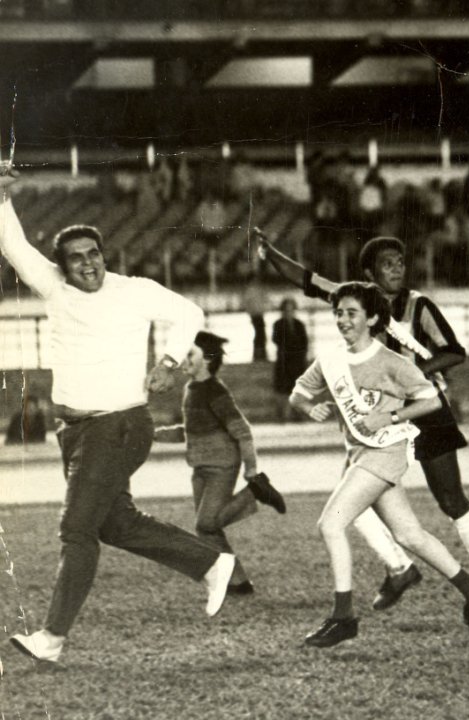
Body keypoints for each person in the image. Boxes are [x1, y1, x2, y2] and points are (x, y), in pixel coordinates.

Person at [0, 169, 237, 665]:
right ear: (63, 266)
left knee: (76, 529)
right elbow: (15, 245)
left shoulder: (134, 290)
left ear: (105, 255)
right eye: (76, 258)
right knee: (117, 524)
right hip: (77, 432)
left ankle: (52, 638)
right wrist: (0, 195)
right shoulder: (55, 290)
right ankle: (212, 563)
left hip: (119, 424)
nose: (88, 264)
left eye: (94, 254)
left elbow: (191, 313)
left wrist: (170, 362)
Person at [257, 232, 469, 614]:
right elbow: (306, 279)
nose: (397, 269)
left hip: (425, 408)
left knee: (450, 499)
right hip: (379, 419)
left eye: (400, 262)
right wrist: (267, 250)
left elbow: (454, 352)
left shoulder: (419, 305)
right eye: (388, 263)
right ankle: (399, 567)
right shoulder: (354, 298)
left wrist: (410, 373)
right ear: (369, 272)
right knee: (353, 497)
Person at [290, 282, 469, 646]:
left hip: (385, 453)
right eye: (338, 313)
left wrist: (392, 417)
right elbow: (298, 393)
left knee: (330, 525)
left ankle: (343, 617)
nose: (343, 320)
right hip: (360, 454)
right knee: (408, 535)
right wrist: (309, 407)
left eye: (351, 313)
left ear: (371, 318)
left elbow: (431, 400)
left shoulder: (391, 362)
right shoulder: (331, 358)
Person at [153, 331, 287, 596]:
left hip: (221, 466)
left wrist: (251, 469)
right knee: (208, 530)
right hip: (200, 468)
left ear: (208, 359)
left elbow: (242, 431)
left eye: (191, 354)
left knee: (206, 525)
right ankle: (239, 582)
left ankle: (254, 492)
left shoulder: (215, 391)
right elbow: (189, 430)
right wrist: (154, 434)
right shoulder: (191, 389)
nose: (184, 359)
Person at [272, 297, 309, 422]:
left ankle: (298, 415)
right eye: (286, 310)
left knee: (297, 390)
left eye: (291, 310)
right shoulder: (278, 325)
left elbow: (304, 343)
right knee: (283, 390)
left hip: (297, 363)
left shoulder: (299, 325)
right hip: (284, 362)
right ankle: (283, 416)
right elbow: (277, 340)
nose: (289, 312)